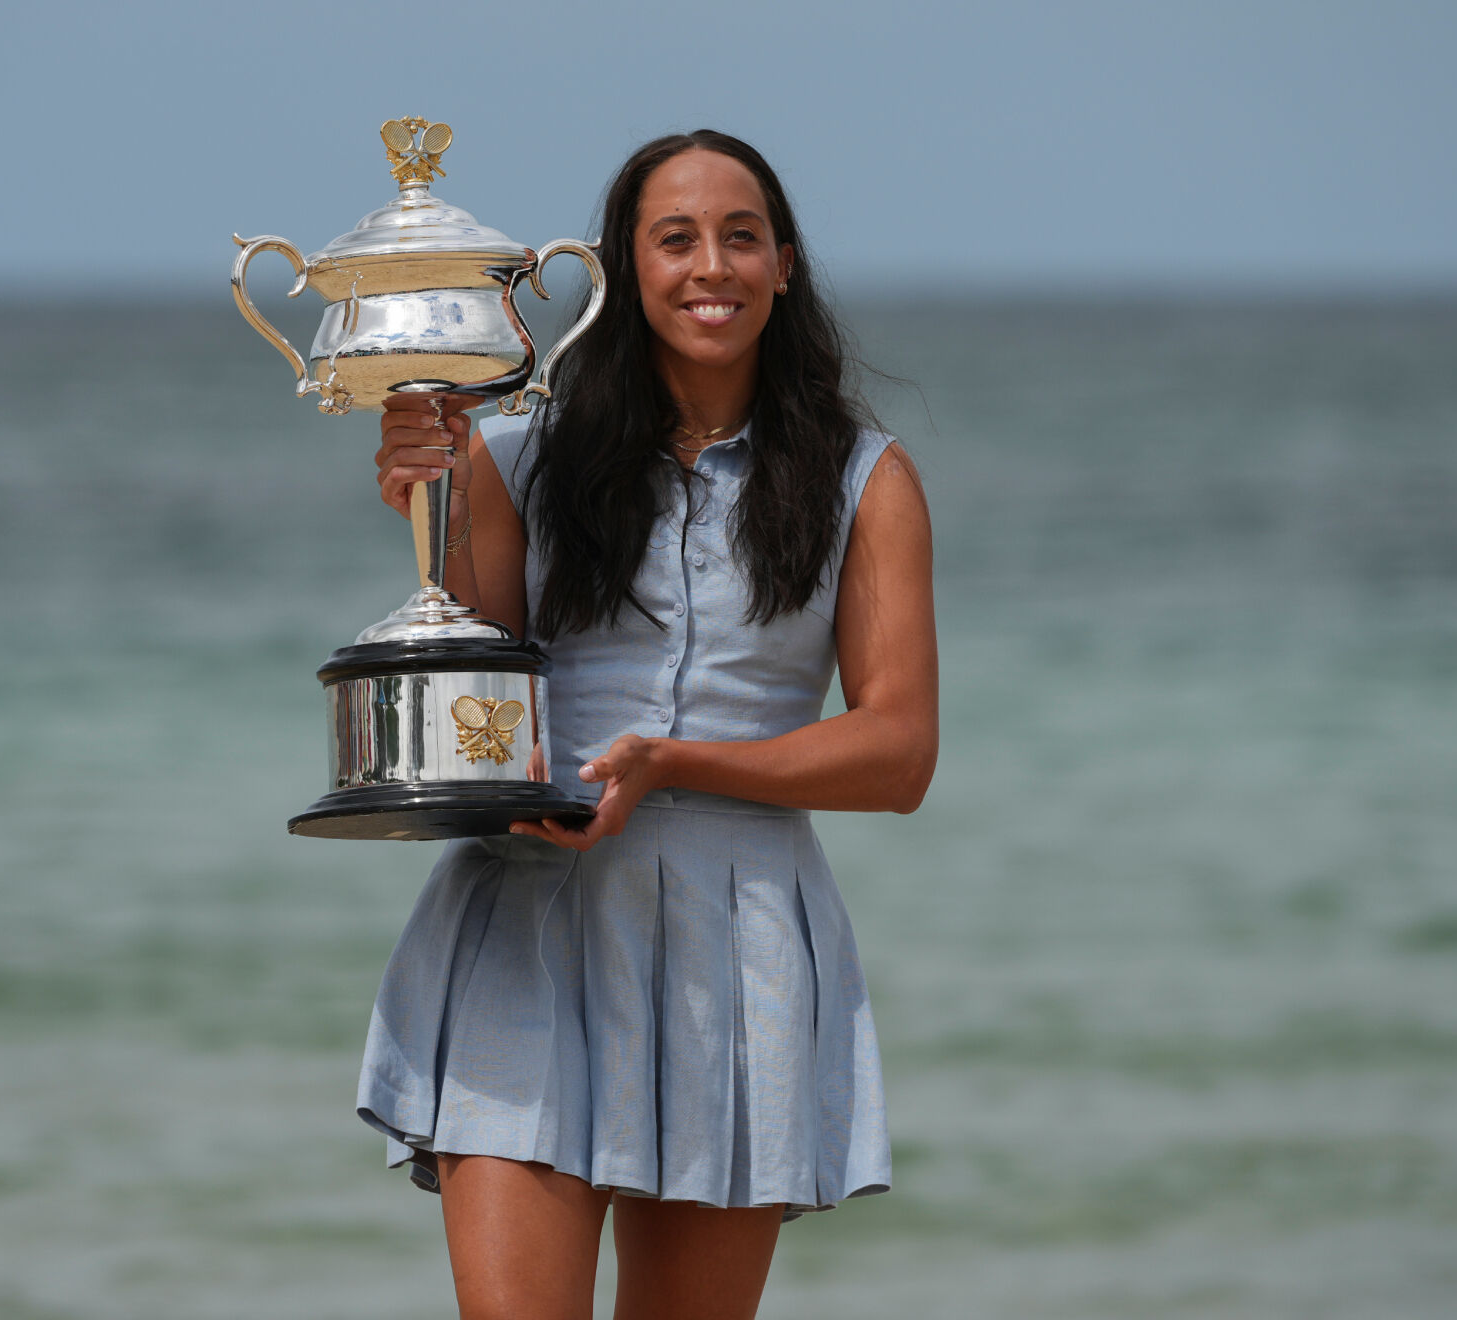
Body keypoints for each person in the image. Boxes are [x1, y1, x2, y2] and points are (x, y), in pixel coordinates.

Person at [360, 130, 937, 1320]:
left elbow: (897, 754)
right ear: (624, 270)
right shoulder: (518, 460)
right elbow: (481, 692)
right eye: (675, 239)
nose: (710, 265)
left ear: (785, 265)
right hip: (530, 921)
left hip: (743, 957)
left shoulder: (865, 482)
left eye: (741, 236)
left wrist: (675, 762)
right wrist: (433, 499)